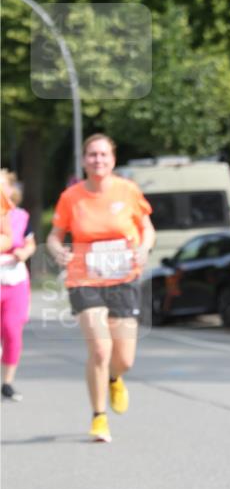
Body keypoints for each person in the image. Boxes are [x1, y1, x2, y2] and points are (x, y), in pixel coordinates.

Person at [46, 134, 155, 443]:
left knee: (125, 358)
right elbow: (55, 235)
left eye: (103, 154)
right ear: (84, 160)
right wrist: (57, 251)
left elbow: (146, 228)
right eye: (92, 155)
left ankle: (114, 377)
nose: (98, 160)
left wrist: (144, 248)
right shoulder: (71, 197)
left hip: (123, 278)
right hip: (84, 278)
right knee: (99, 348)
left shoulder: (128, 190)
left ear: (113, 159)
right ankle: (99, 417)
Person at [0, 171, 36, 401]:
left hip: (14, 277)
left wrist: (24, 251)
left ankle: (7, 382)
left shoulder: (20, 216)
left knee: (12, 329)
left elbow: (29, 242)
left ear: (12, 189)